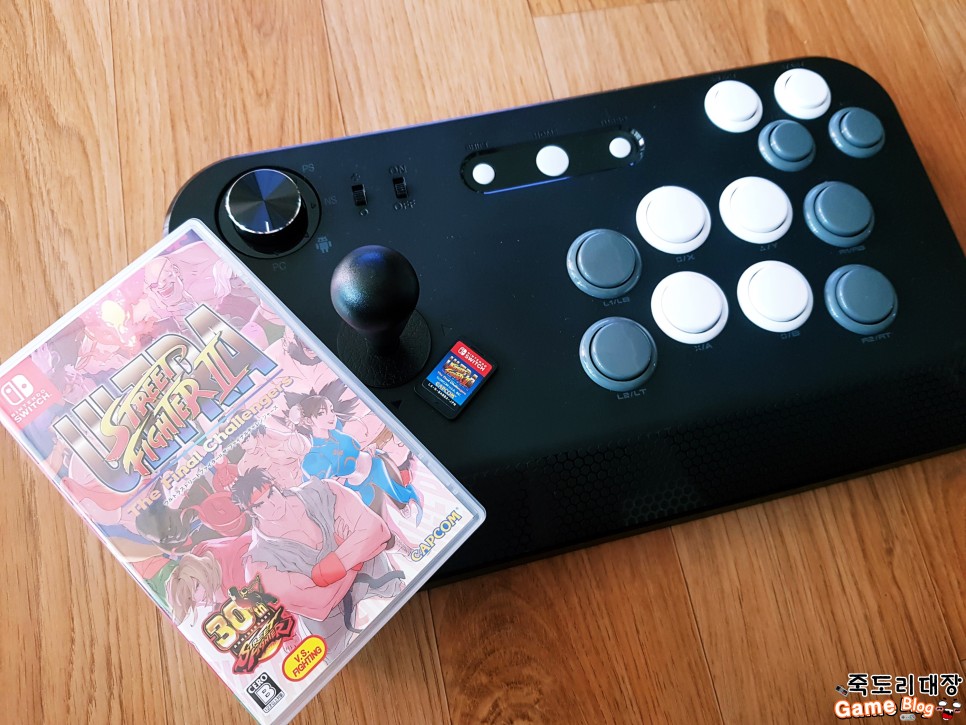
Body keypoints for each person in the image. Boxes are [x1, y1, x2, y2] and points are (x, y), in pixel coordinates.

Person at [232, 467, 404, 657]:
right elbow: (319, 605)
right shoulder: (258, 562)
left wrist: (325, 573)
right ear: (251, 512)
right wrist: (352, 554)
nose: (272, 505)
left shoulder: (324, 491)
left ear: (276, 486)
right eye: (260, 505)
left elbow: (377, 530)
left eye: (271, 494)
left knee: (401, 598)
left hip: (377, 576)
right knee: (342, 658)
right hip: (333, 624)